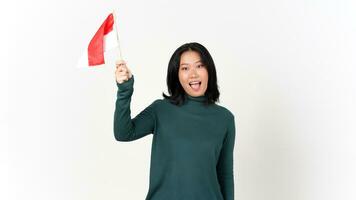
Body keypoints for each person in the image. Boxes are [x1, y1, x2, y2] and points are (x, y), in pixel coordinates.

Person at [114, 42, 236, 200]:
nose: (193, 74)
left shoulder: (225, 119)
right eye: (185, 68)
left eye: (199, 66)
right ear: (176, 75)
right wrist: (124, 90)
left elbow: (225, 174)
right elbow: (123, 133)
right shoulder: (161, 110)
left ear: (209, 71)